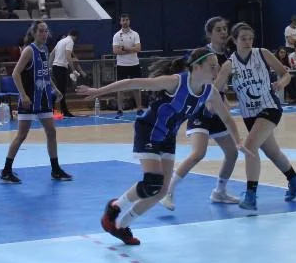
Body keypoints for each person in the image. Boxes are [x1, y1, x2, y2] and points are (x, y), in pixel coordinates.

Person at [78, 47, 242, 245]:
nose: (216, 71)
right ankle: (114, 208)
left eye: (217, 67)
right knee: (152, 182)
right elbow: (133, 82)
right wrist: (98, 91)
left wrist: (239, 141)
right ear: (196, 67)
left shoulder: (210, 92)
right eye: (212, 66)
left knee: (162, 191)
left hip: (167, 137)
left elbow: (226, 117)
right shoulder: (175, 82)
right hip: (148, 130)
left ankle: (121, 225)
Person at [212, 22, 296, 211]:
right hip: (249, 115)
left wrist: (281, 83)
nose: (248, 42)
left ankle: (251, 195)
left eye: (250, 38)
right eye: (243, 39)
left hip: (269, 107)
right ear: (235, 40)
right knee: (272, 152)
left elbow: (285, 74)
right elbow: (215, 89)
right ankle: (294, 178)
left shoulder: (262, 54)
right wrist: (218, 101)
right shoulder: (229, 65)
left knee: (249, 147)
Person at [160, 17, 241, 210]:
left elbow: (219, 87)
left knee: (232, 153)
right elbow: (198, 82)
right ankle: (168, 191)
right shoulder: (203, 54)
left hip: (216, 109)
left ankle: (220, 191)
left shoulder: (228, 56)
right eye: (219, 29)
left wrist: (224, 99)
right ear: (209, 33)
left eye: (225, 29)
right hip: (200, 110)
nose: (223, 32)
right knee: (198, 153)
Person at [0, 20, 72, 184]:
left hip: (44, 98)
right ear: (34, 33)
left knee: (51, 132)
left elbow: (45, 74)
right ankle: (6, 170)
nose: (44, 34)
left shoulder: (44, 49)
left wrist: (55, 88)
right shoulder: (29, 50)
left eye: (46, 31)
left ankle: (55, 169)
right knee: (21, 135)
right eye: (41, 31)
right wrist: (23, 95)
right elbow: (15, 73)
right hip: (30, 100)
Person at [112, 14, 143, 115]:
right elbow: (116, 51)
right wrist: (131, 49)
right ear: (120, 22)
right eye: (123, 20)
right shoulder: (117, 35)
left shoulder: (135, 34)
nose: (125, 22)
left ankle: (139, 108)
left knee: (136, 87)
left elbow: (138, 49)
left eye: (126, 20)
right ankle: (120, 109)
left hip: (134, 64)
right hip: (122, 65)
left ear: (129, 21)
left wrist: (124, 48)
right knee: (120, 87)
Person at [51, 28, 80, 117]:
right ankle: (55, 110)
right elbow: (68, 56)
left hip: (55, 67)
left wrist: (49, 67)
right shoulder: (70, 41)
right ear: (75, 37)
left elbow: (52, 54)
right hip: (61, 68)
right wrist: (73, 70)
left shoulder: (61, 41)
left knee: (59, 90)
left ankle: (61, 111)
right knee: (60, 91)